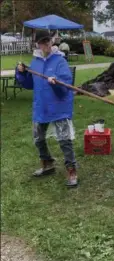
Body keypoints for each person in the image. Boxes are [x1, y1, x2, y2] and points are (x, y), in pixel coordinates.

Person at [15, 30, 78, 187]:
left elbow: (65, 86)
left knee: (64, 140)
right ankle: (47, 164)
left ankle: (72, 170)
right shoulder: (35, 62)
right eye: (42, 42)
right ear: (37, 44)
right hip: (41, 106)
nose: (46, 44)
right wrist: (21, 72)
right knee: (38, 138)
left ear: (51, 41)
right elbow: (29, 84)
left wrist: (56, 83)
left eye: (47, 41)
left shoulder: (60, 61)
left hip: (59, 106)